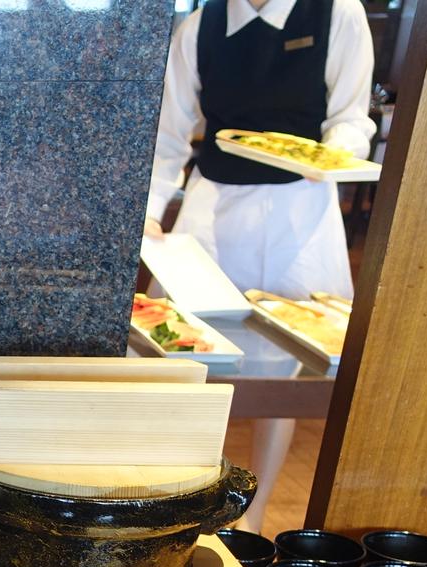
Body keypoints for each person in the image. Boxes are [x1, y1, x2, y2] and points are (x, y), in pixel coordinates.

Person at [145, 0, 375, 532]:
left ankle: (255, 517)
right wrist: (152, 212)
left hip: (302, 212)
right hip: (213, 205)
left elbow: (349, 118)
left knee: (288, 366)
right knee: (184, 353)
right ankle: (183, 501)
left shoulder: (338, 12)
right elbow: (168, 135)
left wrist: (331, 157)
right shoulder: (199, 27)